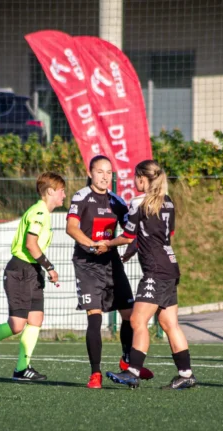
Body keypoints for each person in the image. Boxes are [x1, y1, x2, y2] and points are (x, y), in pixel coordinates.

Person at [0, 172, 65, 381]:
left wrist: (42, 268)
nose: (64, 195)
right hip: (20, 270)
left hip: (32, 271)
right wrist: (50, 267)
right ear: (51, 191)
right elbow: (31, 244)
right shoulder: (39, 212)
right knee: (17, 325)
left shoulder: (43, 213)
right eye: (62, 191)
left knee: (36, 319)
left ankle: (22, 369)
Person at [101, 159, 198, 390]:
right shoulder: (168, 201)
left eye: (136, 177)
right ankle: (186, 374)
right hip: (170, 266)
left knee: (137, 320)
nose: (134, 181)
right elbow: (159, 234)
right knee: (169, 323)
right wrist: (131, 252)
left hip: (155, 270)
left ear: (143, 179)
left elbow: (128, 235)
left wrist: (108, 244)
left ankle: (133, 372)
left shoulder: (138, 202)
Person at [66, 155, 153, 389]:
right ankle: (95, 373)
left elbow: (131, 231)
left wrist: (132, 248)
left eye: (109, 172)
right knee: (95, 317)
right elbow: (71, 228)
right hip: (87, 264)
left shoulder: (117, 201)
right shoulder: (81, 196)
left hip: (111, 263)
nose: (105, 177)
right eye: (100, 172)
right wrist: (92, 245)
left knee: (129, 314)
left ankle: (127, 362)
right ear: (90, 173)